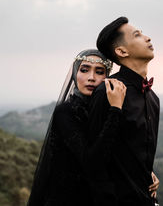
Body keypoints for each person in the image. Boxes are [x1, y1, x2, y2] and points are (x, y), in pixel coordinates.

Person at [27, 49, 126, 206]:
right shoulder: (65, 112)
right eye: (84, 70)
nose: (91, 78)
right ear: (74, 73)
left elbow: (119, 153)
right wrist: (115, 111)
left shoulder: (108, 111)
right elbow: (90, 162)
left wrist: (146, 174)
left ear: (107, 77)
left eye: (100, 72)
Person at [87, 17, 160, 206]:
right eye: (138, 35)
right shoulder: (107, 91)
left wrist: (148, 173)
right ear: (121, 51)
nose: (147, 38)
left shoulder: (153, 98)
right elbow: (94, 161)